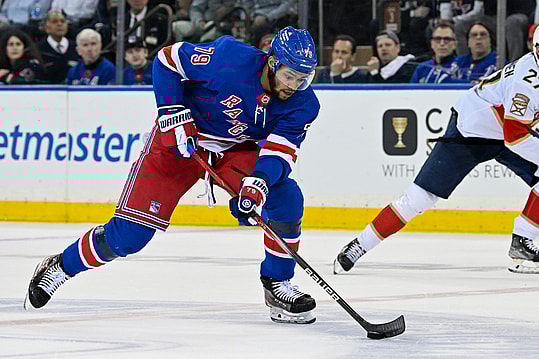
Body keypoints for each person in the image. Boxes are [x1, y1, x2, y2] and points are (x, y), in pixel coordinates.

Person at [24, 26, 321, 324]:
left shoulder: (304, 104)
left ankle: (277, 283)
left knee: (285, 198)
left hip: (234, 149)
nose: (294, 85)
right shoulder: (229, 59)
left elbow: (279, 151)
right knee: (130, 236)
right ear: (272, 62)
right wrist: (172, 110)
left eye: (303, 78)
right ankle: (61, 266)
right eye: (289, 76)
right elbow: (167, 60)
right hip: (180, 142)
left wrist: (256, 187)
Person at [333, 26, 539, 275]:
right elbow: (515, 138)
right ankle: (360, 245)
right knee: (419, 198)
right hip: (470, 131)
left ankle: (523, 244)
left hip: (503, 130)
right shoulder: (527, 83)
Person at [37, 9, 79, 84]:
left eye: (62, 21)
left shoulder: (76, 47)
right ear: (47, 27)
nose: (59, 24)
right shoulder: (39, 49)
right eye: (54, 22)